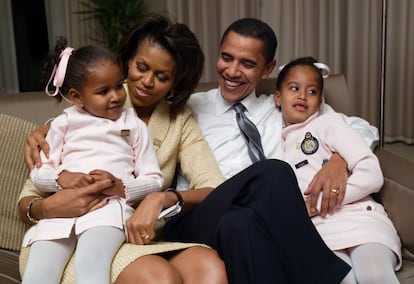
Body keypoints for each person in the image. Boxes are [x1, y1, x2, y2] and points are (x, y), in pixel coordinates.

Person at [162, 18, 378, 283]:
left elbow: (359, 127)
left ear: (268, 68)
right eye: (226, 58)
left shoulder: (282, 106)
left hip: (245, 218)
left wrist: (339, 158)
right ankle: (329, 278)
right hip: (198, 215)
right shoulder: (191, 106)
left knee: (240, 225)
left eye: (247, 64)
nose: (232, 71)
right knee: (274, 172)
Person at [19, 14, 227, 284]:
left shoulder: (178, 121)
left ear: (176, 82)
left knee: (209, 267)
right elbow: (28, 197)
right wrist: (47, 208)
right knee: (159, 277)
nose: (146, 81)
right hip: (66, 239)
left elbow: (214, 188)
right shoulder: (86, 106)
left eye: (162, 76)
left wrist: (160, 198)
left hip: (130, 234)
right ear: (127, 60)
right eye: (141, 66)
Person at [21, 39, 164, 284]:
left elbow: (154, 179)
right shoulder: (62, 124)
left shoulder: (134, 125)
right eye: (103, 91)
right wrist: (62, 179)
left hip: (108, 210)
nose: (117, 96)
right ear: (76, 97)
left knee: (91, 265)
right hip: (60, 215)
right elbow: (38, 175)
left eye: (119, 86)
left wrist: (122, 187)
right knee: (38, 273)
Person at [274, 56, 401, 284]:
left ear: (320, 102)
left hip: (360, 218)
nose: (303, 95)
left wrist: (319, 202)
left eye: (312, 91)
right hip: (320, 232)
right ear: (277, 98)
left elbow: (371, 174)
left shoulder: (329, 124)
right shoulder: (275, 145)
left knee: (374, 276)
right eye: (294, 88)